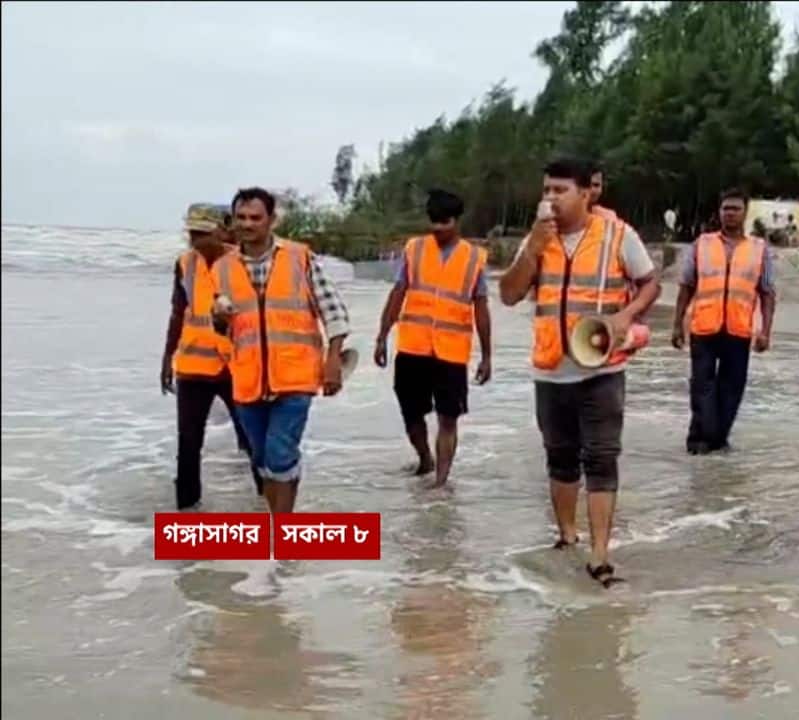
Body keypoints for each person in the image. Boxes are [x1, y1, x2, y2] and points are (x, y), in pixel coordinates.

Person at [498, 157, 661, 588]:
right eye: (546, 190)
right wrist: (531, 248)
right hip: (551, 370)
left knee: (602, 458)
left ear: (586, 193)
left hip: (602, 368)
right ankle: (567, 536)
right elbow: (509, 295)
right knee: (560, 458)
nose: (551, 198)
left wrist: (625, 316)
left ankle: (600, 553)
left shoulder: (618, 235)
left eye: (560, 190)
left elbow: (650, 283)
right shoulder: (537, 240)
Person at [210, 187, 351, 514]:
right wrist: (218, 318)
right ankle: (280, 522)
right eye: (241, 218)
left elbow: (334, 312)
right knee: (261, 459)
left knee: (279, 454)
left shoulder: (300, 258)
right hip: (248, 380)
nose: (247, 224)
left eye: (255, 218)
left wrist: (333, 360)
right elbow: (222, 327)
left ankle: (280, 533)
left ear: (271, 220)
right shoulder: (222, 268)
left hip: (295, 376)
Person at [374, 189, 492, 488]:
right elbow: (398, 292)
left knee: (448, 417)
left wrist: (487, 355)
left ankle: (440, 484)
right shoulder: (414, 249)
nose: (438, 228)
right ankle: (425, 457)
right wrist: (382, 335)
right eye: (434, 222)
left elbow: (481, 308)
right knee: (411, 412)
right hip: (413, 347)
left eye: (445, 222)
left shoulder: (474, 258)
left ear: (457, 221)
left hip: (451, 352)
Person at [162, 203, 253, 510]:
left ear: (223, 231)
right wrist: (167, 357)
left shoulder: (244, 263)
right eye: (192, 233)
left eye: (202, 233)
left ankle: (264, 507)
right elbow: (178, 312)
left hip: (236, 367)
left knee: (252, 440)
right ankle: (187, 512)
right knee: (188, 444)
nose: (195, 240)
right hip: (193, 368)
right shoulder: (185, 264)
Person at [671, 188, 776, 456]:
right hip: (704, 327)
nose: (730, 213)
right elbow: (686, 286)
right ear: (719, 212)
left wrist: (765, 331)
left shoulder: (759, 249)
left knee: (732, 389)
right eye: (725, 208)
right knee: (702, 386)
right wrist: (677, 324)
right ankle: (704, 440)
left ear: (745, 212)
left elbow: (767, 293)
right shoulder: (702, 244)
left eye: (735, 208)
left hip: (739, 329)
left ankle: (714, 441)